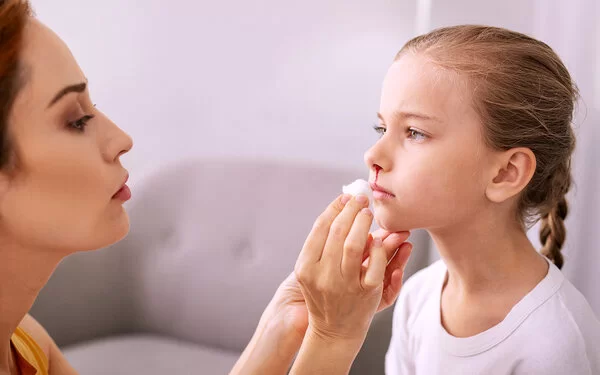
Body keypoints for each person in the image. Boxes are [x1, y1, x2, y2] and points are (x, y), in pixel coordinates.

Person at [0, 1, 412, 374]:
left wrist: (286, 321)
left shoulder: (24, 342)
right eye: (75, 120)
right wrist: (333, 338)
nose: (121, 138)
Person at [375, 26, 600, 374]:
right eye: (382, 129)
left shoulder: (553, 343)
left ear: (506, 173)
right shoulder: (417, 295)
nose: (373, 155)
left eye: (415, 133)